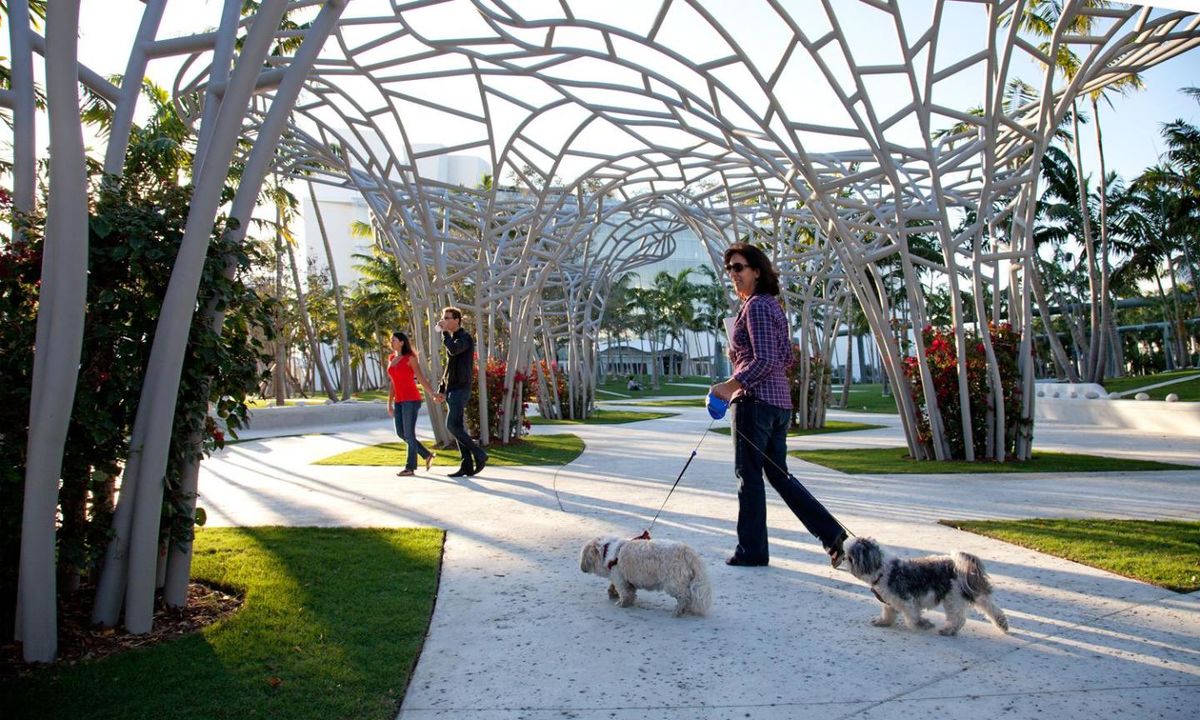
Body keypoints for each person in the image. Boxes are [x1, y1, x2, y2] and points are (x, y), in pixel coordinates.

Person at [710, 243, 848, 568]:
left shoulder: (756, 307)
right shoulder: (771, 306)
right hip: (778, 403)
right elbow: (784, 357)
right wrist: (739, 356)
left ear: (757, 271)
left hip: (755, 403)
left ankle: (752, 551)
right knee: (779, 475)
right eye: (729, 269)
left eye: (739, 267)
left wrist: (731, 384)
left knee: (749, 477)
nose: (733, 274)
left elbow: (767, 359)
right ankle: (833, 537)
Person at [434, 306, 489, 477]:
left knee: (451, 425)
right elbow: (450, 366)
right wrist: (441, 389)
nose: (444, 321)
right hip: (452, 389)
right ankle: (466, 465)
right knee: (457, 427)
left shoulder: (465, 338)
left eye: (447, 318)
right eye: (443, 318)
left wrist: (444, 333)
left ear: (457, 320)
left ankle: (479, 454)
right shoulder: (453, 338)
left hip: (461, 389)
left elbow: (454, 350)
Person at [387, 331, 438, 476]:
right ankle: (427, 455)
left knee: (409, 434)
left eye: (394, 340)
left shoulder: (410, 358)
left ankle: (410, 468)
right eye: (391, 340)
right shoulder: (391, 358)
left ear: (402, 342)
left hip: (411, 399)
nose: (391, 342)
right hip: (399, 401)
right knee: (401, 433)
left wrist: (432, 393)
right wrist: (389, 403)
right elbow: (393, 383)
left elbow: (420, 378)